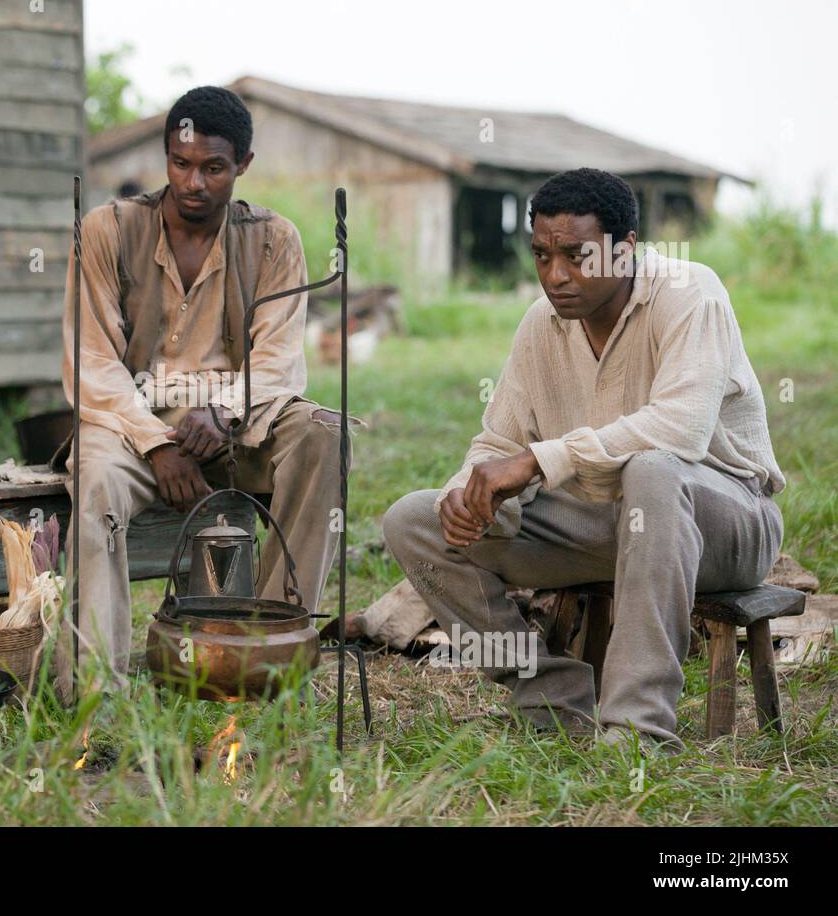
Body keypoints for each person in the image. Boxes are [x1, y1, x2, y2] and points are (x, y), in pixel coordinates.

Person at [381, 168, 784, 750]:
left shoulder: (690, 294)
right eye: (542, 255)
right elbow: (499, 442)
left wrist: (537, 462)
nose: (556, 275)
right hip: (603, 524)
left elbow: (679, 429)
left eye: (577, 255)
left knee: (652, 468)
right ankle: (553, 699)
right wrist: (465, 495)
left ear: (626, 249)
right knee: (414, 519)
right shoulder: (541, 324)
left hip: (722, 524)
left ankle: (636, 728)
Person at [59, 86, 350, 696]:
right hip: (131, 427)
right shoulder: (109, 230)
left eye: (213, 168)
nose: (194, 182)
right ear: (166, 156)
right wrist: (157, 444)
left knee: (325, 434)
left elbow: (277, 361)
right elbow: (91, 361)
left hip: (239, 428)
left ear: (243, 164)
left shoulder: (274, 240)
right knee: (94, 479)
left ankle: (269, 650)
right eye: (180, 163)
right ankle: (93, 692)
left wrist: (223, 412)